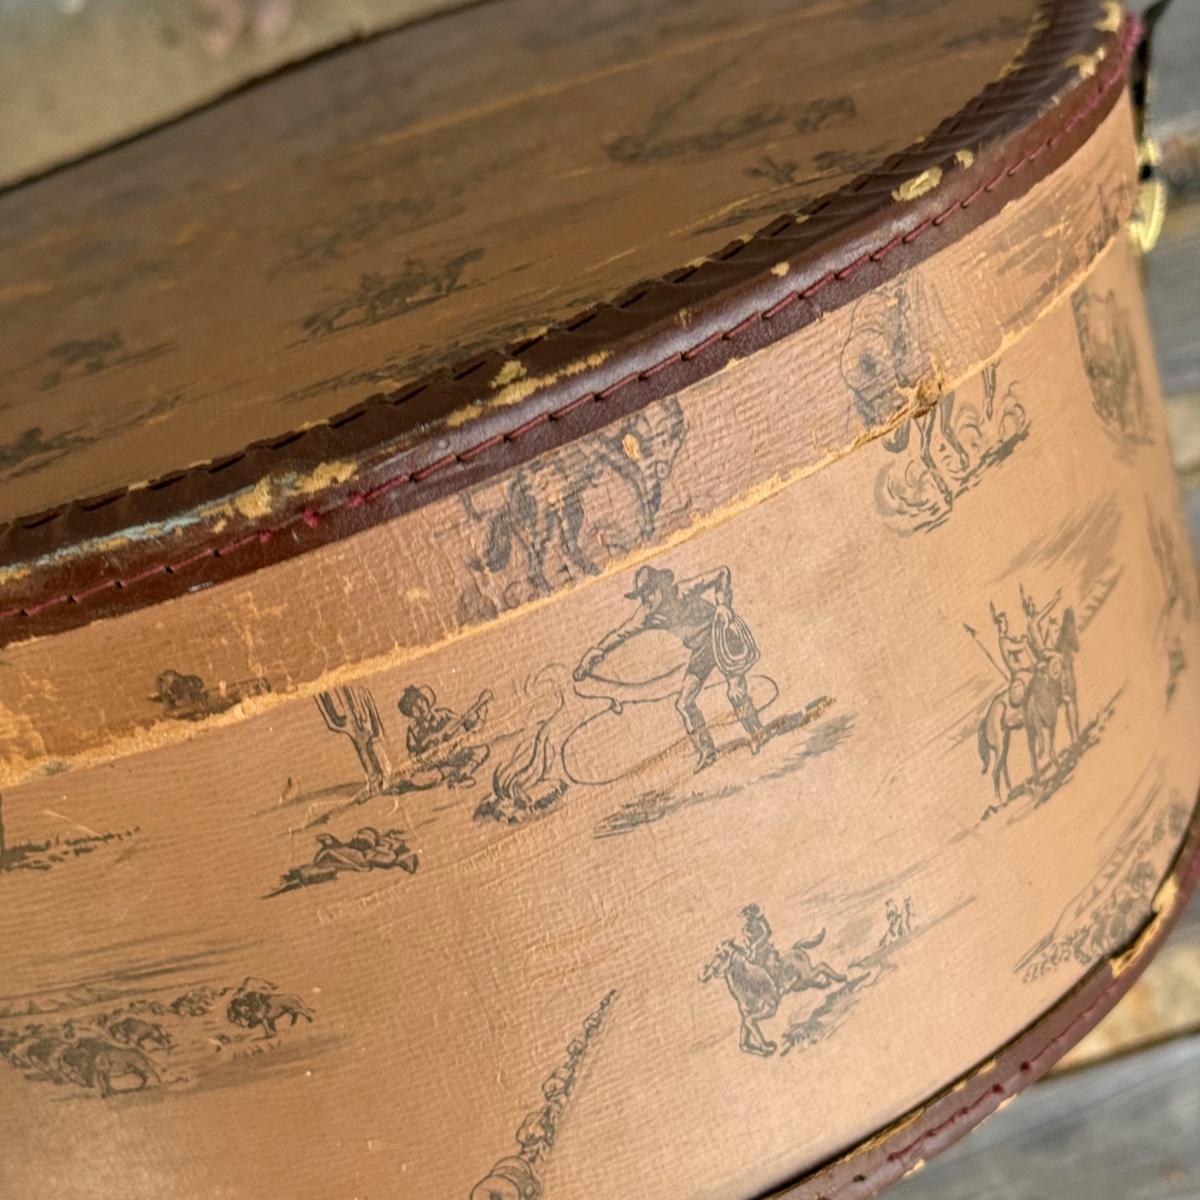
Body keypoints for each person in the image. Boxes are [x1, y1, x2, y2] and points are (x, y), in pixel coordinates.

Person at [575, 565, 767, 772]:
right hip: (701, 651)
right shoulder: (647, 615)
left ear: (662, 586)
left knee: (736, 691)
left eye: (649, 592)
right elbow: (620, 634)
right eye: (642, 595)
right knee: (684, 703)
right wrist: (592, 656)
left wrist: (722, 605)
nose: (646, 599)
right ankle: (707, 751)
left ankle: (758, 733)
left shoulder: (682, 591)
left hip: (722, 636)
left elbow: (722, 572)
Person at [397, 684, 491, 788]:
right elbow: (413, 755)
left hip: (456, 753)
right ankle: (451, 772)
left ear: (426, 700)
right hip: (438, 763)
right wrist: (427, 746)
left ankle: (464, 773)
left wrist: (481, 712)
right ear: (410, 714)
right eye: (413, 709)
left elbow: (465, 723)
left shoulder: (443, 714)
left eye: (421, 703)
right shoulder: (413, 731)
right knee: (421, 779)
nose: (420, 710)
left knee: (482, 750)